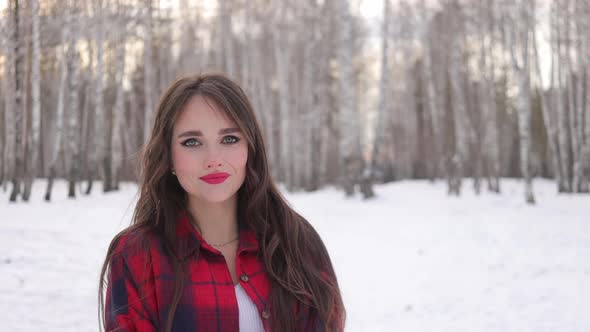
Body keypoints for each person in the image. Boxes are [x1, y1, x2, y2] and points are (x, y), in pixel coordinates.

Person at [98, 73, 345, 332]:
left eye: (229, 139)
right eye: (192, 142)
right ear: (169, 157)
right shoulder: (137, 254)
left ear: (250, 149)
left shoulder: (296, 241)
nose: (213, 159)